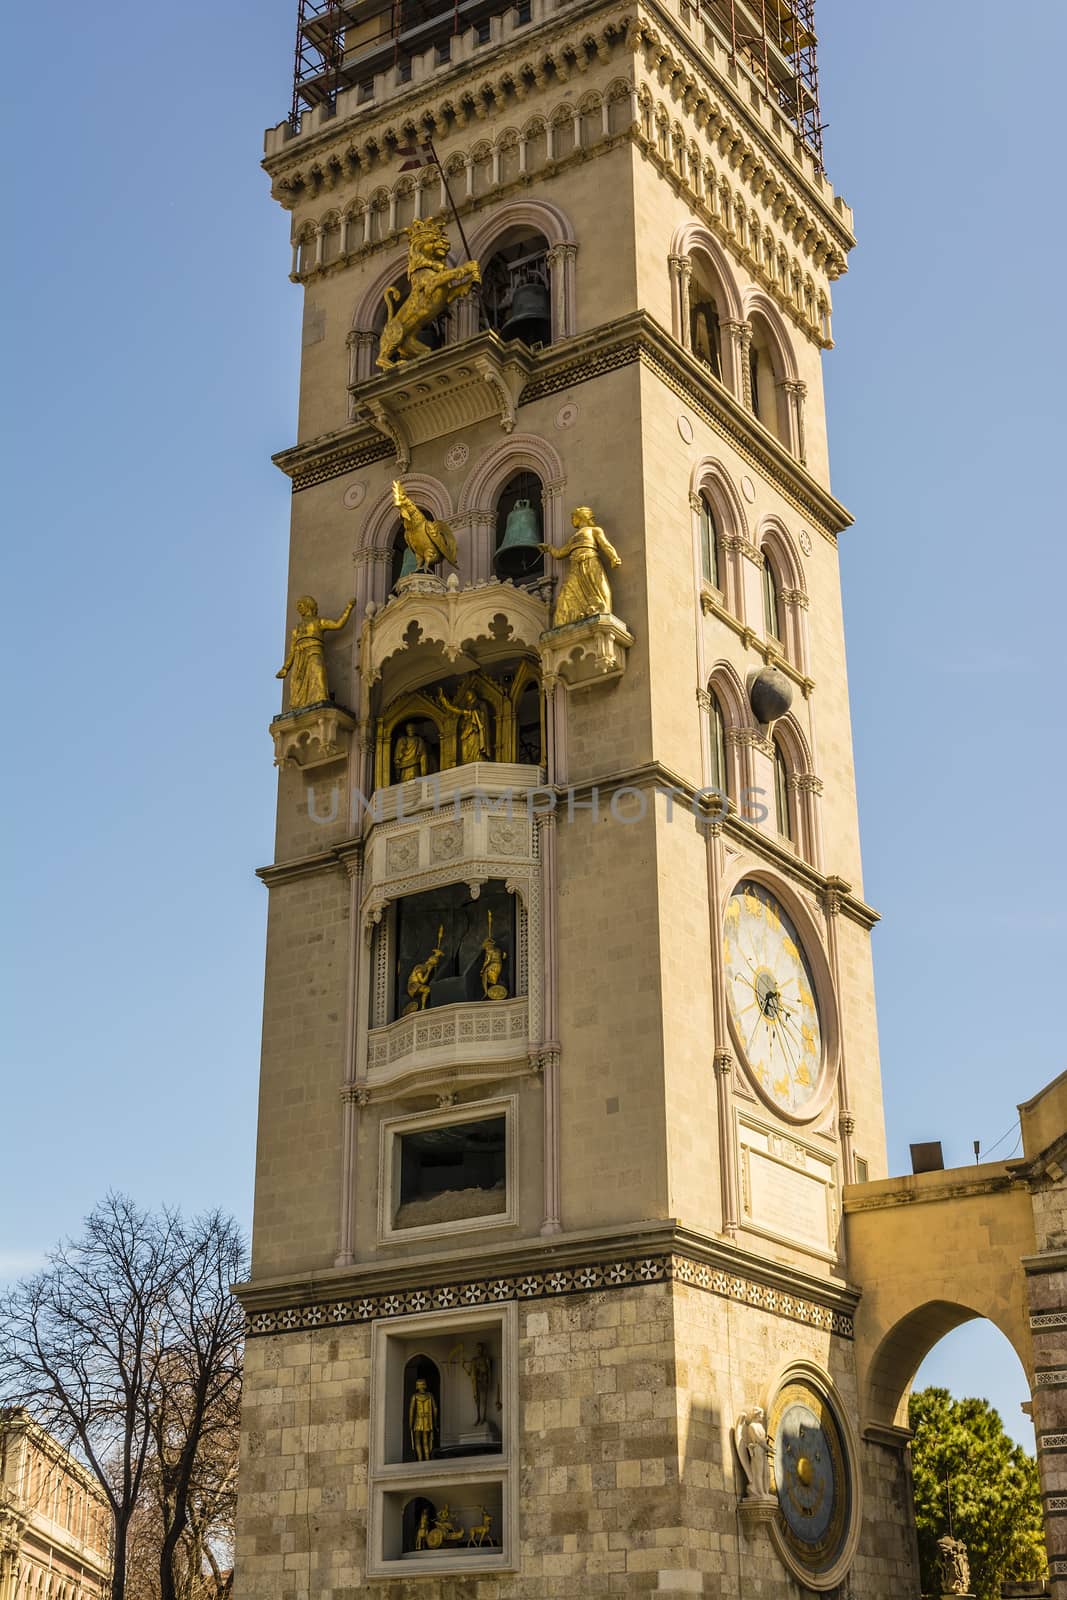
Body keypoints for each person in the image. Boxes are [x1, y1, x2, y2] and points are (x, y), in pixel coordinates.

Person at [539, 505, 621, 626]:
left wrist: (614, 557)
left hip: (590, 561)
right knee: (566, 594)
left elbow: (605, 545)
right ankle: (567, 620)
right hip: (575, 567)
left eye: (574, 517)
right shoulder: (573, 538)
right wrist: (549, 548)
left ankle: (603, 611)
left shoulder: (594, 530)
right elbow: (560, 553)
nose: (572, 519)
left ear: (581, 517)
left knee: (599, 588)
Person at [276, 594, 356, 708]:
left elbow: (338, 624)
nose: (299, 609)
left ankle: (321, 700)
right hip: (300, 657)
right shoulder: (296, 629)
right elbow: (292, 651)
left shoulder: (319, 622)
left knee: (318, 673)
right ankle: (301, 706)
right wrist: (285, 668)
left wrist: (349, 607)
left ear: (308, 605)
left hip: (314, 652)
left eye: (301, 605)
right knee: (298, 684)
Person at [438, 681, 491, 764]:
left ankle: (478, 758)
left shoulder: (480, 704)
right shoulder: (467, 707)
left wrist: (473, 713)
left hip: (475, 731)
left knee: (475, 748)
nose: (467, 696)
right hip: (467, 730)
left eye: (469, 694)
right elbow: (455, 709)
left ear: (474, 694)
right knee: (465, 748)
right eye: (466, 695)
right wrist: (444, 701)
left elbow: (483, 718)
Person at [408, 1377, 437, 1461]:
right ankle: (427, 1459)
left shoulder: (415, 1397)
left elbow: (411, 1411)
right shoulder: (430, 1396)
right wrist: (435, 1423)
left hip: (418, 1421)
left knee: (417, 1442)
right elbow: (435, 1409)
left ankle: (420, 1459)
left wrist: (410, 1424)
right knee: (426, 1443)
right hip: (427, 1421)